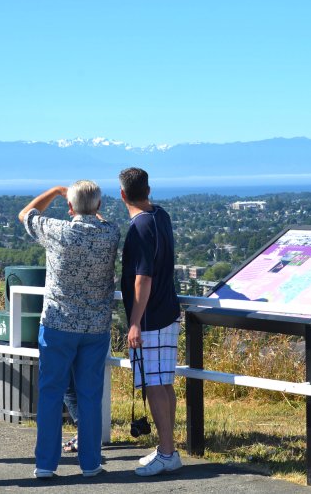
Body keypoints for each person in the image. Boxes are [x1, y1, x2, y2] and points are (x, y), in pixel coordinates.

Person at [19, 181, 120, 479]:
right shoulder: (110, 233)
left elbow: (26, 213)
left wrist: (55, 191)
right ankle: (90, 463)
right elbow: (100, 219)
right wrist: (91, 208)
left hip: (57, 324)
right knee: (90, 395)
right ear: (99, 206)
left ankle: (46, 465)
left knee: (51, 393)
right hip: (95, 327)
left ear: (69, 208)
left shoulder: (57, 230)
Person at [118, 167, 182, 476]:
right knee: (165, 385)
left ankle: (167, 453)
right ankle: (167, 448)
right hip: (168, 311)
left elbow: (142, 278)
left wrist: (134, 322)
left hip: (150, 319)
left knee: (155, 387)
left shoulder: (139, 228)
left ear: (122, 195)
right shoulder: (161, 216)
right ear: (148, 189)